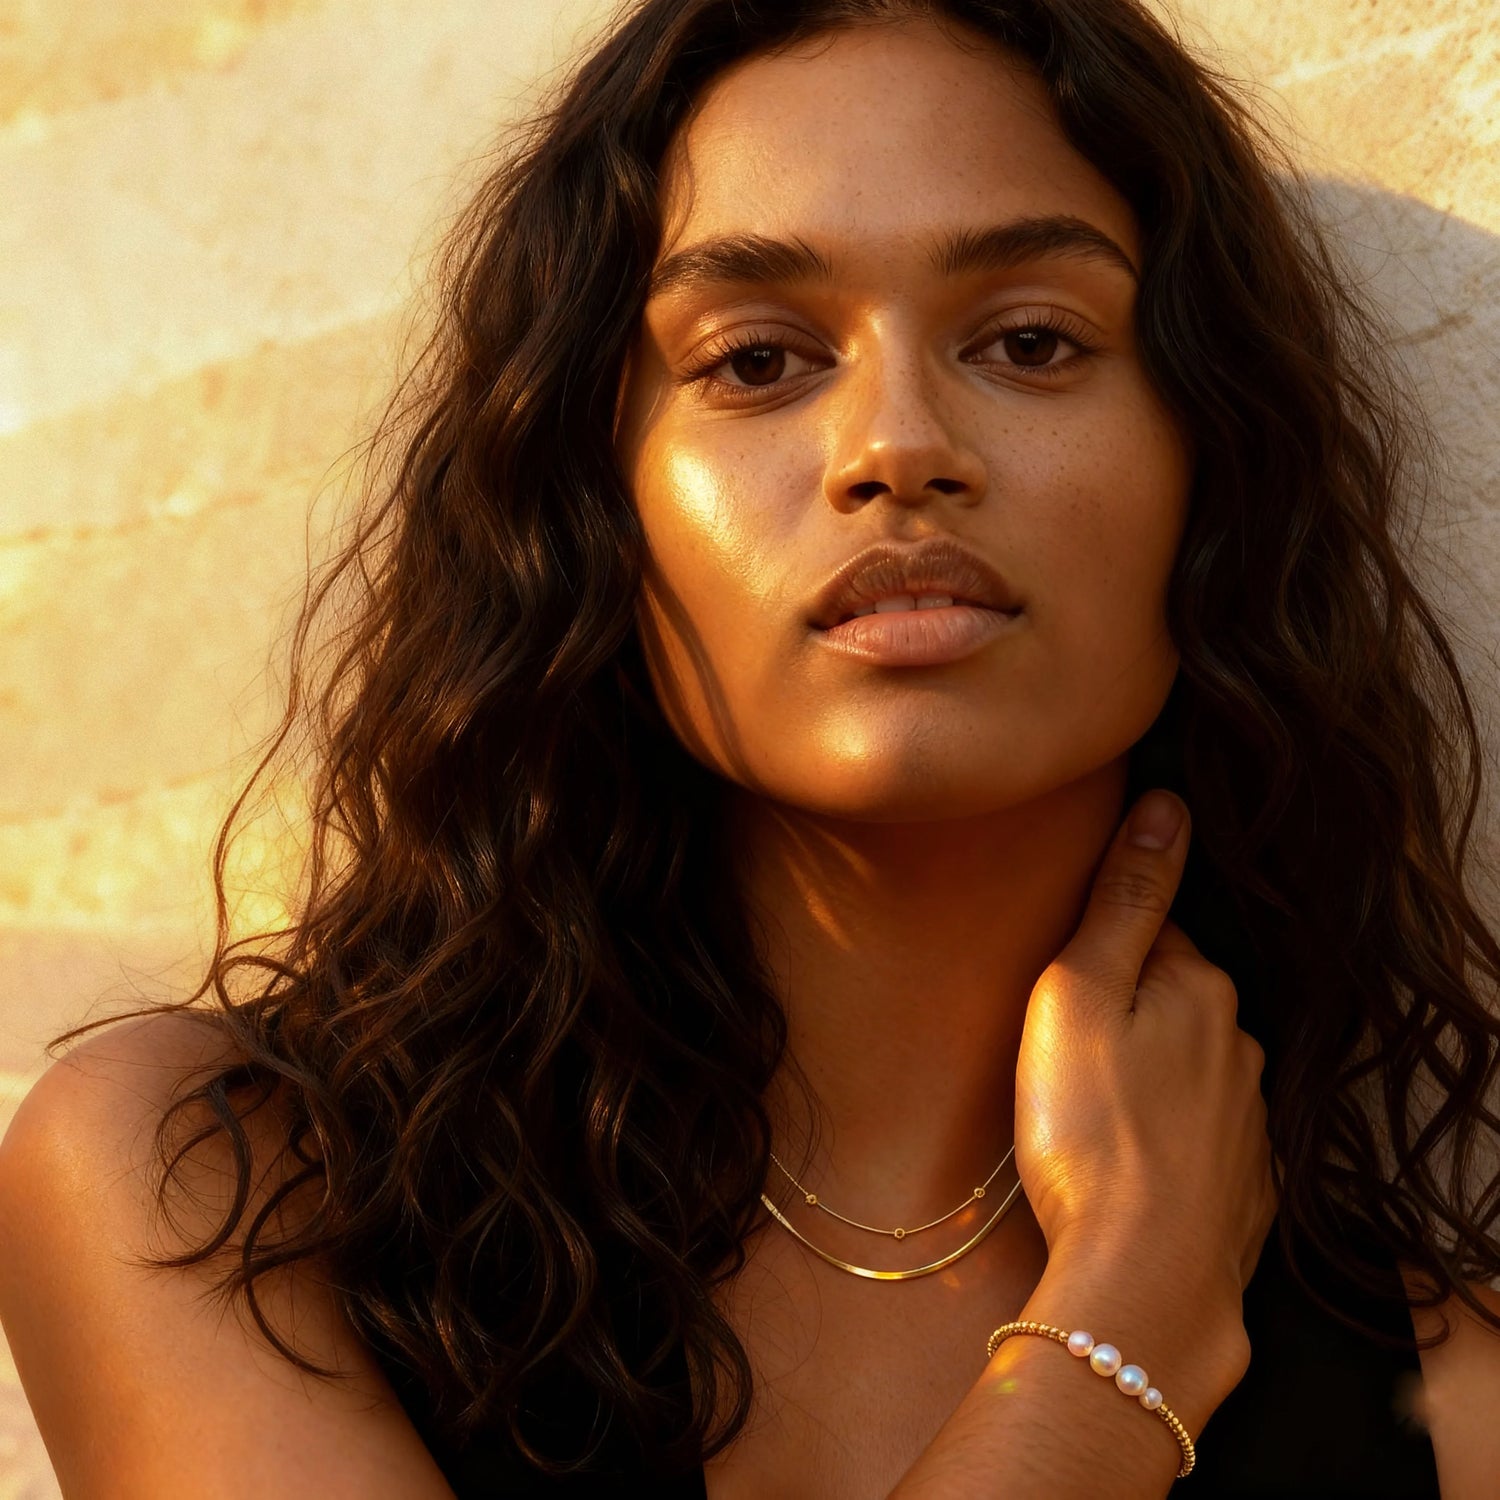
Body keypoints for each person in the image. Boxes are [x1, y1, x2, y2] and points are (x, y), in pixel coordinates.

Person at [2, 0, 1499, 1494]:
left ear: (1214, 468)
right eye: (759, 361)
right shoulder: (212, 1196)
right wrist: (1119, 1336)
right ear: (593, 504)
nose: (897, 445)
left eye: (1033, 340)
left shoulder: (1452, 1405)